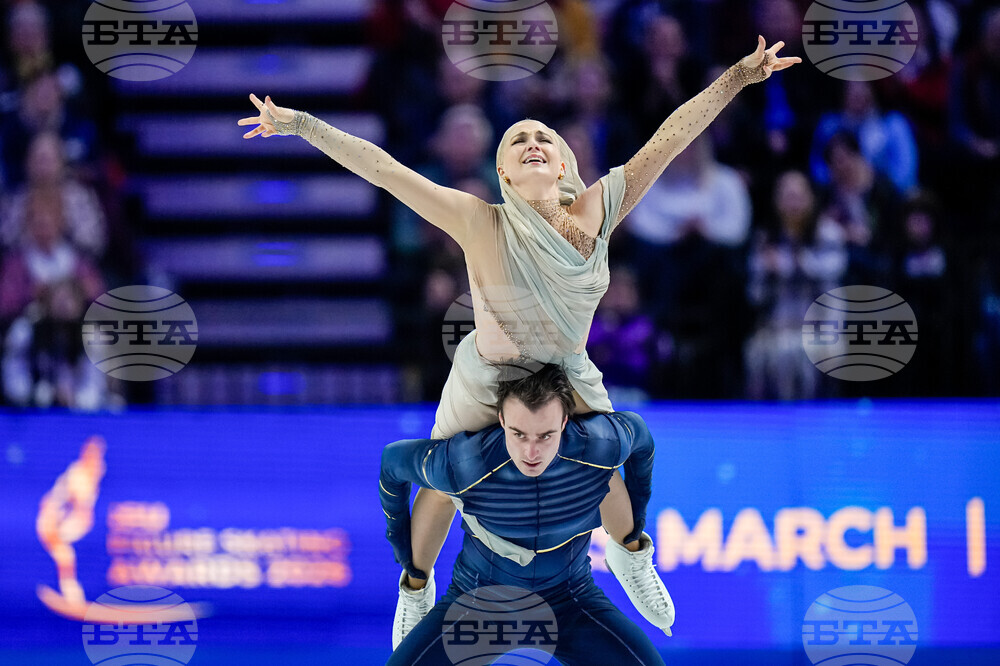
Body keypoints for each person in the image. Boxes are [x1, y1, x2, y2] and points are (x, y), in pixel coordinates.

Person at [239, 35, 800, 641]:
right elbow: (384, 170)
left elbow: (671, 137)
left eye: (544, 139)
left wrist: (740, 75)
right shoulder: (479, 219)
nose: (532, 144)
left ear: (562, 164)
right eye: (517, 141)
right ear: (502, 171)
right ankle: (415, 586)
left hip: (567, 368)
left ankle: (633, 557)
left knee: (606, 459)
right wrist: (299, 123)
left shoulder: (598, 208)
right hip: (486, 375)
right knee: (441, 479)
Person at [379, 365, 670, 664]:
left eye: (545, 436)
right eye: (519, 434)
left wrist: (635, 529)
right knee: (442, 491)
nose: (531, 453)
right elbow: (391, 463)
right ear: (502, 420)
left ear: (565, 421)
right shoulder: (467, 461)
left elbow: (642, 442)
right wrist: (405, 556)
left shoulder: (599, 442)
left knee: (601, 472)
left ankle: (632, 555)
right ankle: (415, 589)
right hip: (480, 605)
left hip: (570, 601)